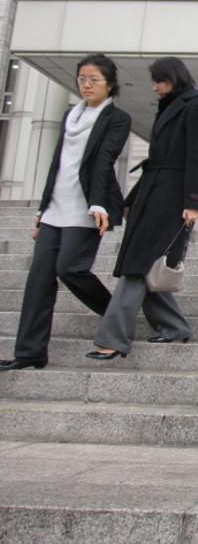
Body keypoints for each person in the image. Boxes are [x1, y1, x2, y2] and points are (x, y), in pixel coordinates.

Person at [0, 54, 130, 372]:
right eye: (82, 78)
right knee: (39, 279)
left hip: (86, 208)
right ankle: (30, 352)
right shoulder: (70, 115)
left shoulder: (117, 118)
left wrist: (98, 203)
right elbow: (57, 163)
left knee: (71, 268)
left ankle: (117, 316)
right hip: (55, 207)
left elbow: (104, 161)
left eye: (94, 79)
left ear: (109, 84)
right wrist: (42, 208)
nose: (86, 84)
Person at [87, 56, 198, 359]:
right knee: (145, 264)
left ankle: (113, 339)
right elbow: (155, 161)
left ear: (174, 78)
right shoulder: (168, 107)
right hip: (152, 193)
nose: (155, 87)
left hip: (172, 198)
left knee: (138, 265)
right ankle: (174, 327)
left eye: (159, 81)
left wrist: (194, 202)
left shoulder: (197, 108)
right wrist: (132, 200)